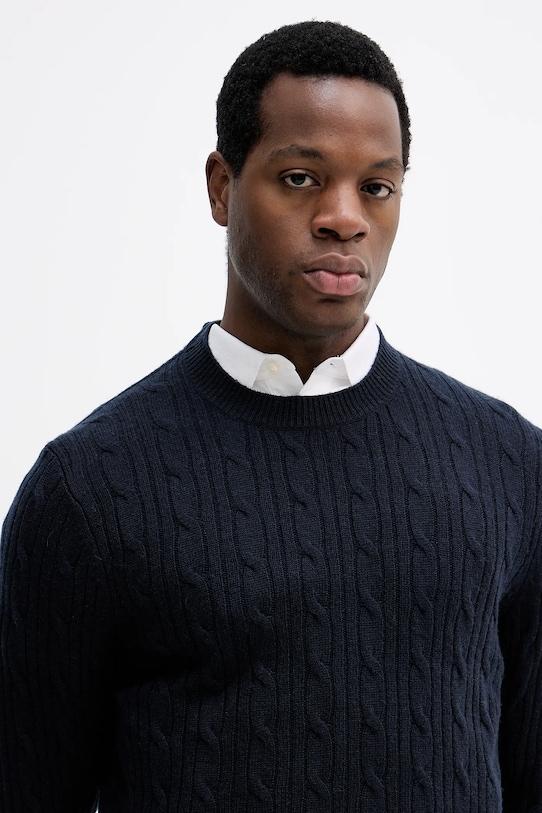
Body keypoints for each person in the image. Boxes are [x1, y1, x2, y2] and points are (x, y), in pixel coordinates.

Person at [0, 19, 540, 813]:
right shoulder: (88, 489)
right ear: (222, 187)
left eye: (377, 187)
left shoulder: (510, 465)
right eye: (299, 178)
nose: (344, 217)